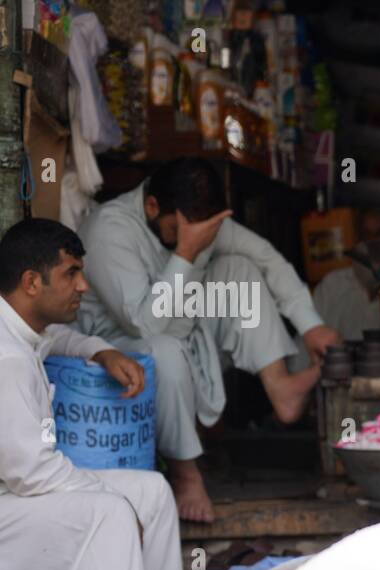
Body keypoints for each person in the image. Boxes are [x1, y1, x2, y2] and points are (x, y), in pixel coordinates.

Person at [75, 157, 343, 523]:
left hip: (179, 329)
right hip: (121, 346)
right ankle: (186, 473)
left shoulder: (198, 219)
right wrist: (187, 253)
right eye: (180, 230)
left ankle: (281, 387)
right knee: (165, 350)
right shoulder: (110, 230)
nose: (198, 239)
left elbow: (266, 257)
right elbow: (145, 325)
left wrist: (311, 326)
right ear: (152, 207)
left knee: (240, 269)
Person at [0, 219, 186, 570]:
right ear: (32, 282)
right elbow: (32, 476)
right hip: (9, 511)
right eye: (72, 274)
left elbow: (56, 339)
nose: (83, 285)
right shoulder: (5, 356)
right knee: (109, 514)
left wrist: (100, 349)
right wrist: (119, 511)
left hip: (16, 497)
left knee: (149, 492)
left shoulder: (18, 327)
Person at [309, 208, 380, 342]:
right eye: (366, 234)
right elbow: (311, 341)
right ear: (357, 239)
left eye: (379, 234)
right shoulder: (332, 286)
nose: (372, 241)